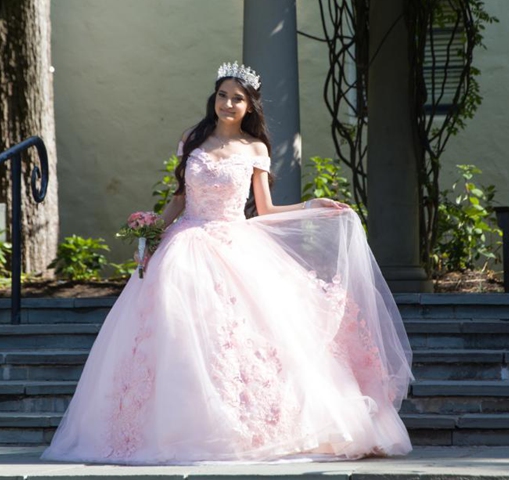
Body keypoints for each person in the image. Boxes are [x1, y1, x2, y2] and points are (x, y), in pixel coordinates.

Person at [41, 62, 414, 465]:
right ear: (214, 99)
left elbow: (265, 209)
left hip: (236, 243)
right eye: (223, 95)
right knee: (172, 328)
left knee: (245, 340)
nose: (228, 103)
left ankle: (251, 427)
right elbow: (180, 198)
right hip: (185, 243)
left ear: (250, 106)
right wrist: (152, 234)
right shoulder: (193, 139)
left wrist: (312, 206)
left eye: (238, 98)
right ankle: (164, 429)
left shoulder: (255, 149)